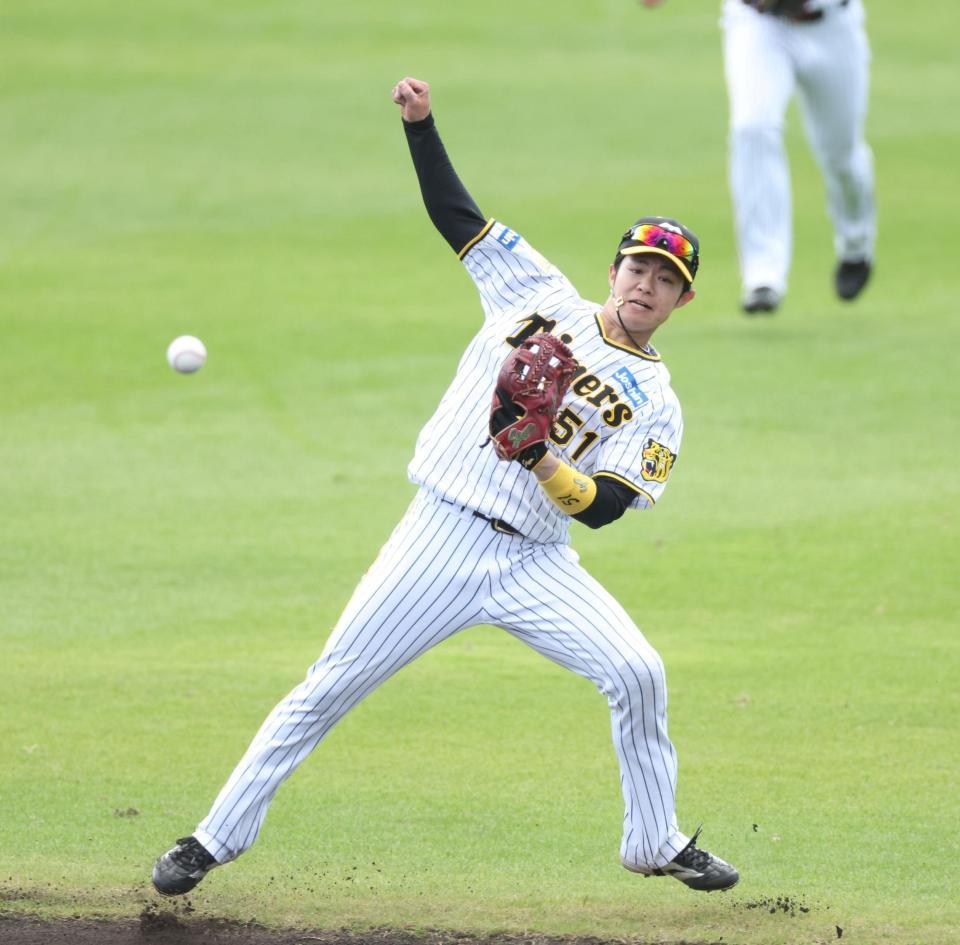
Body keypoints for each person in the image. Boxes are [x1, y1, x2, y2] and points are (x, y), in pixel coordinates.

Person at [151, 76, 739, 898]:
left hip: (538, 560)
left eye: (666, 278)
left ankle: (655, 840)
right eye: (638, 265)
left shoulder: (659, 404)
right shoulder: (536, 292)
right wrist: (421, 127)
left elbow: (605, 509)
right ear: (612, 269)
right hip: (439, 537)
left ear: (683, 299)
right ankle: (212, 839)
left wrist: (539, 457)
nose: (646, 283)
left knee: (637, 672)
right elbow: (458, 219)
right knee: (329, 685)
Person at [642, 0, 876, 314]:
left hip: (833, 26)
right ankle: (763, 276)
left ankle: (856, 244)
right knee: (752, 127)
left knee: (842, 157)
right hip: (759, 25)